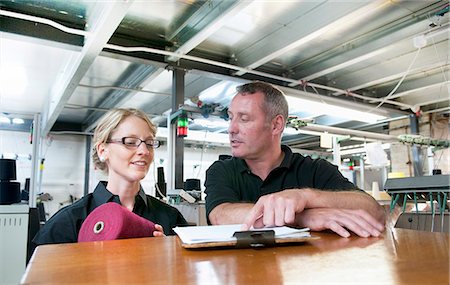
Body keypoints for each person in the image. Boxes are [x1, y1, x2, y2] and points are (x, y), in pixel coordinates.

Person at [205, 81, 386, 238]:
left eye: (244, 119)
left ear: (276, 125)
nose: (231, 129)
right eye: (230, 118)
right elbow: (220, 216)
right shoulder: (222, 170)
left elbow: (374, 212)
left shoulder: (315, 169)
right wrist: (303, 217)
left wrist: (305, 197)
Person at [32, 108, 187, 248]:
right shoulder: (68, 222)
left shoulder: (171, 218)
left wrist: (169, 253)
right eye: (130, 142)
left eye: (149, 143)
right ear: (103, 151)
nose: (144, 151)